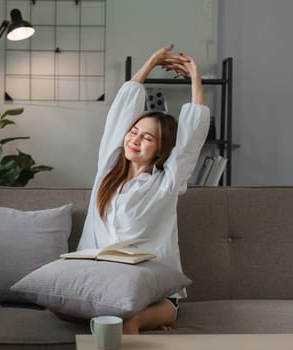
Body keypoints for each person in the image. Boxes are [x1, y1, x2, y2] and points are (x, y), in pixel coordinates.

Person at [76, 44, 210, 334]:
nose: (134, 139)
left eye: (147, 137)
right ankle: (137, 315)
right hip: (100, 279)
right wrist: (150, 63)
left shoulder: (167, 181)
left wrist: (195, 76)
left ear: (161, 149)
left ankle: (139, 319)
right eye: (134, 132)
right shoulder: (108, 168)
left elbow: (191, 137)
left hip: (149, 285)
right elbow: (121, 110)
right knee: (76, 309)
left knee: (132, 319)